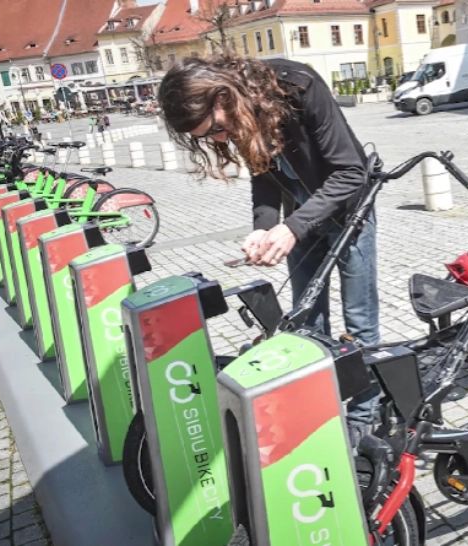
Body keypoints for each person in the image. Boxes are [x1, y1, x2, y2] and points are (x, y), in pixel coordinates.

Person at [157, 54, 381, 436]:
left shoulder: (298, 86)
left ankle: (366, 420)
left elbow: (351, 172)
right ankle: (320, 409)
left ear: (222, 98)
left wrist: (292, 227)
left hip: (348, 212)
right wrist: (263, 227)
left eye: (214, 129)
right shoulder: (239, 109)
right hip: (302, 218)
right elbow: (263, 174)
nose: (217, 140)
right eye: (205, 138)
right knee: (307, 323)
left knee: (359, 324)